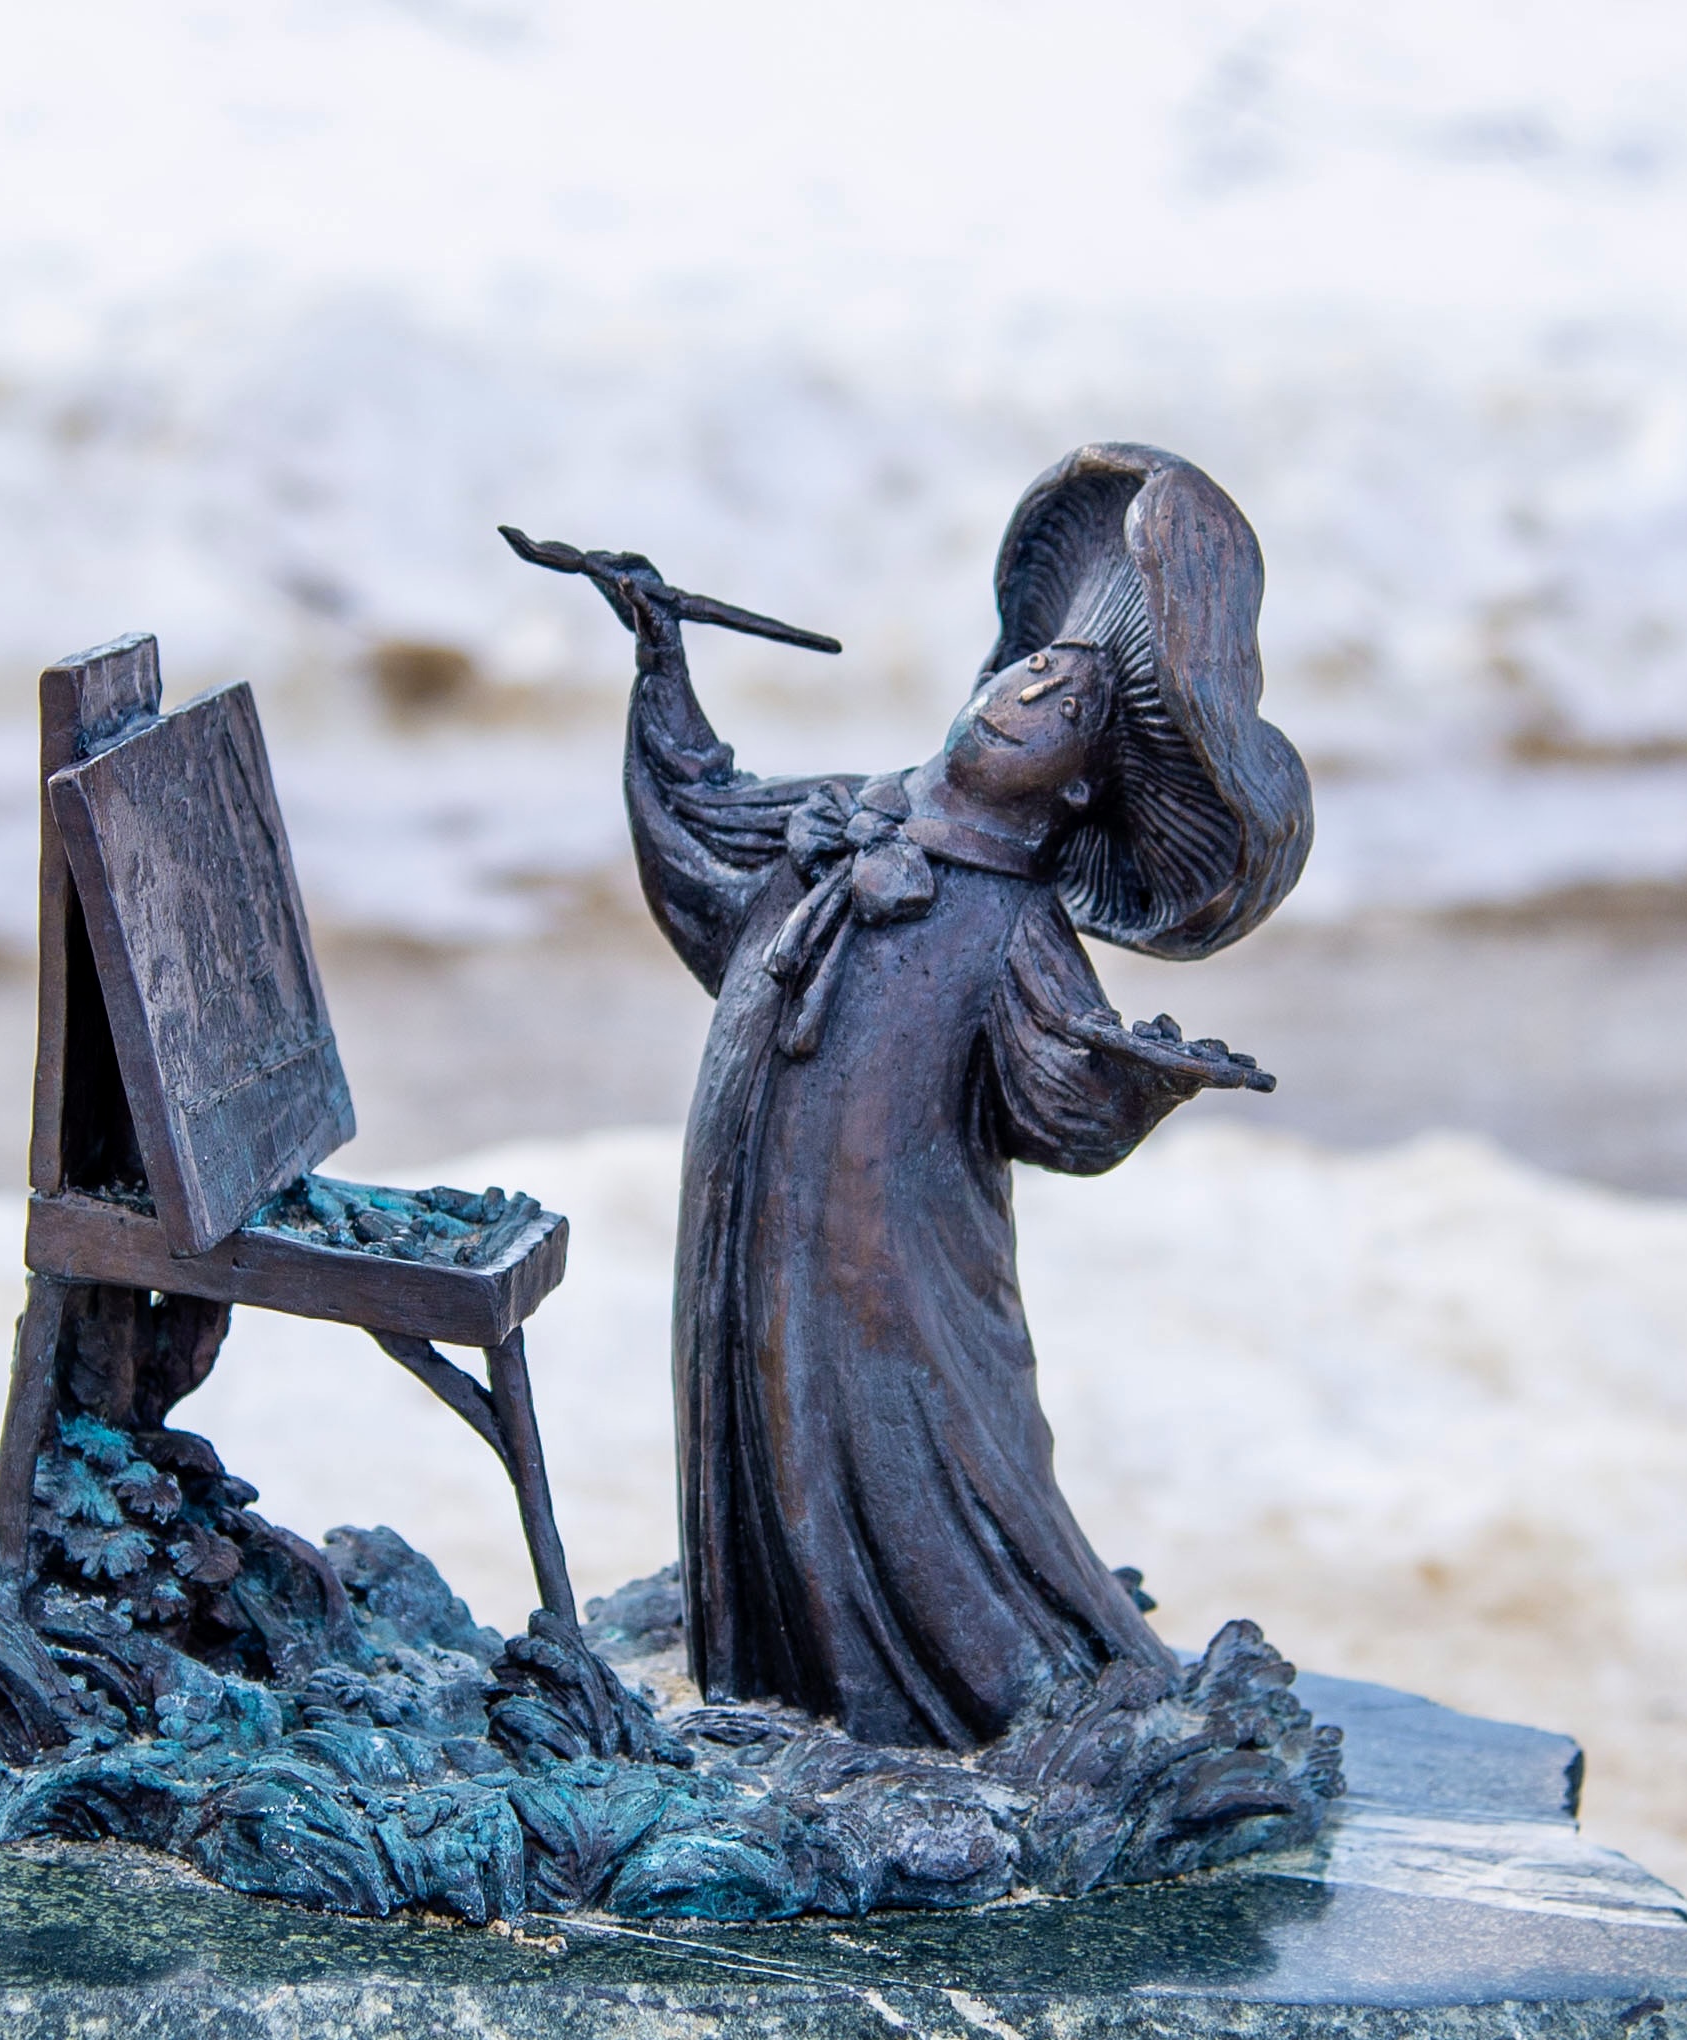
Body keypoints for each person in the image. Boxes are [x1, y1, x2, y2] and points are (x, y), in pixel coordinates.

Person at [530, 444, 1314, 1749]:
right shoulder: (845, 810)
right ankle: (777, 1676)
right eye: (1029, 666)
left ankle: (938, 1702)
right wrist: (661, 664)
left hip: (894, 1269)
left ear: (1079, 783)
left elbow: (1056, 1096)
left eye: (1067, 704)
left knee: (905, 1445)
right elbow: (700, 827)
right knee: (762, 1406)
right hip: (752, 1219)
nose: (1026, 690)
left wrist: (1140, 1083)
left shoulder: (1014, 927)